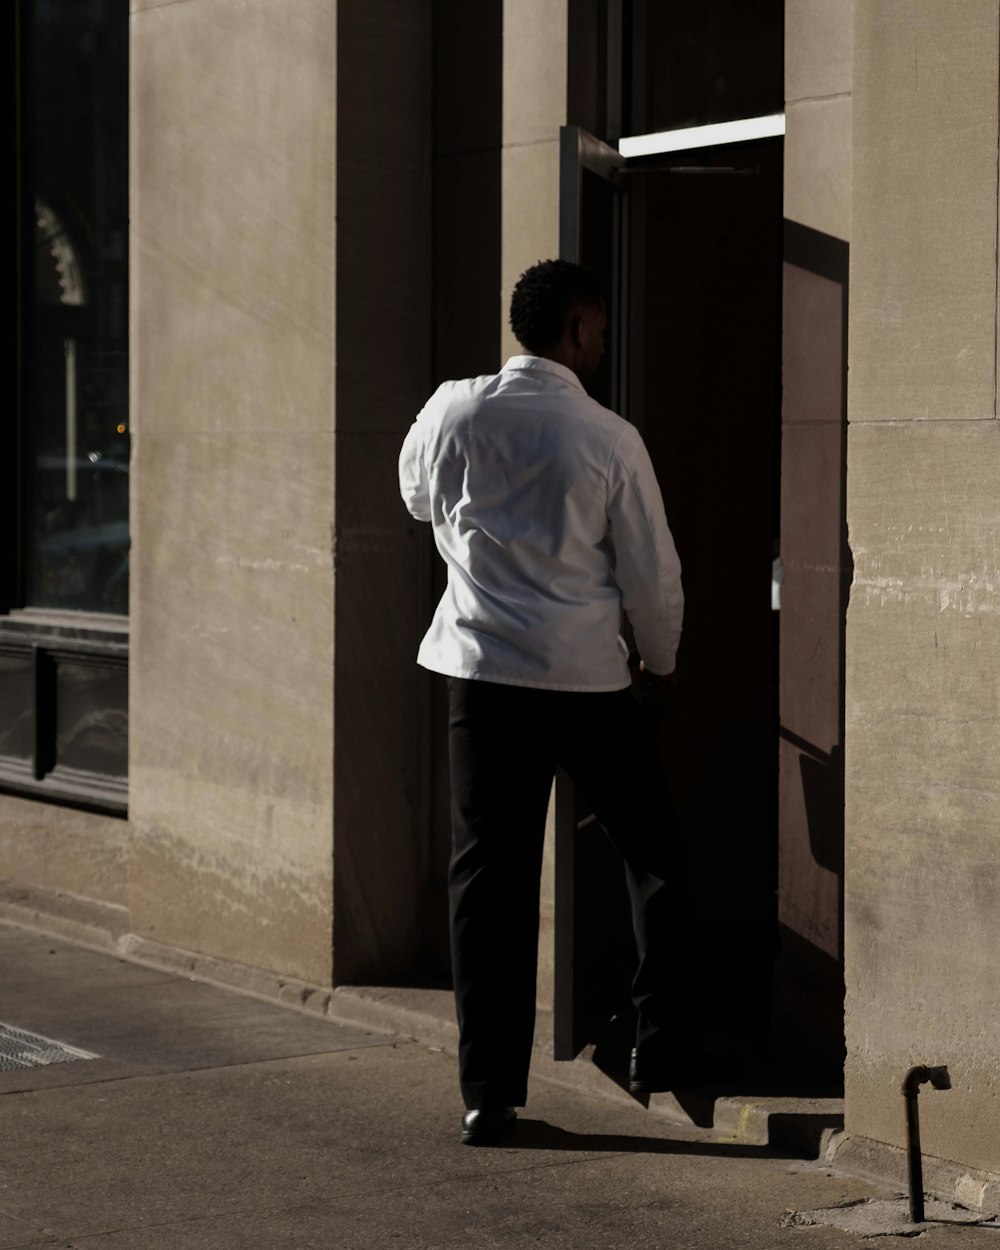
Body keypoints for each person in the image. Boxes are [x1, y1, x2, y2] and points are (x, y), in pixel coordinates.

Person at [398, 259, 686, 1146]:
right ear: (577, 329)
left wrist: (472, 540)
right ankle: (656, 1048)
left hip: (482, 677)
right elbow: (653, 574)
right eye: (597, 327)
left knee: (489, 880)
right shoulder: (608, 437)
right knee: (655, 853)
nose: (602, 341)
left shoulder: (454, 408)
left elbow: (414, 497)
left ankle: (489, 1096)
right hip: (587, 679)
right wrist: (661, 662)